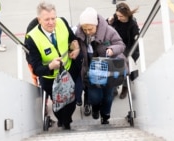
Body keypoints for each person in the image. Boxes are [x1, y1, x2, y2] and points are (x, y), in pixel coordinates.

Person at [25, 1, 80, 130]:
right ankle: (63, 121)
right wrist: (50, 66)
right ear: (39, 20)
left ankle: (67, 120)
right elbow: (37, 69)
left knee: (72, 101)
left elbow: (72, 38)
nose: (51, 22)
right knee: (59, 105)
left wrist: (76, 48)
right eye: (47, 19)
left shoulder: (62, 22)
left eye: (53, 18)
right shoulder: (32, 38)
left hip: (68, 71)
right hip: (51, 79)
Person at [75, 7, 127, 124]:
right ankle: (96, 108)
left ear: (97, 24)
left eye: (90, 29)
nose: (87, 32)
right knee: (94, 97)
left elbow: (121, 45)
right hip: (91, 71)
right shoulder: (79, 33)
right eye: (85, 29)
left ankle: (105, 116)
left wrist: (111, 49)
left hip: (108, 71)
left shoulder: (109, 31)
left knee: (108, 96)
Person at [107, 2, 140, 99]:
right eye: (117, 15)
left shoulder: (132, 25)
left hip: (127, 47)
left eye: (121, 16)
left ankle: (125, 87)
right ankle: (113, 89)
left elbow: (135, 40)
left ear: (126, 15)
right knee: (112, 65)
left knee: (125, 67)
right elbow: (105, 26)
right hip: (116, 45)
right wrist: (109, 21)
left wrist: (130, 53)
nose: (119, 18)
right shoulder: (116, 18)